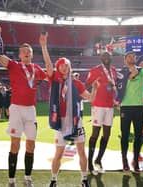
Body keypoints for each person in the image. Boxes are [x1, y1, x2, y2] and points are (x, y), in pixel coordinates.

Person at [0, 22, 51, 187]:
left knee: (31, 145)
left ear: (32, 55)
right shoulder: (14, 65)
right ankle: (11, 180)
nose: (26, 53)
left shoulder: (36, 69)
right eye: (24, 52)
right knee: (15, 144)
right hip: (16, 109)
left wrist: (44, 46)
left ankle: (27, 178)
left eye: (29, 52)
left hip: (31, 111)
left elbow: (50, 73)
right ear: (19, 55)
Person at [40, 32, 98, 187]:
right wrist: (44, 46)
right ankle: (53, 180)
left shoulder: (77, 83)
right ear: (58, 67)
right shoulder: (54, 79)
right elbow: (47, 65)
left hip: (76, 121)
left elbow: (90, 98)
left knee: (81, 152)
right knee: (58, 154)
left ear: (69, 67)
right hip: (60, 121)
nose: (64, 67)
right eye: (62, 65)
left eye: (67, 65)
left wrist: (95, 90)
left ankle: (84, 179)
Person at [117, 51, 143, 173]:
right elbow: (120, 86)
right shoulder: (120, 72)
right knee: (124, 135)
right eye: (129, 56)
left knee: (138, 136)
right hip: (125, 107)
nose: (132, 58)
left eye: (133, 56)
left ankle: (135, 161)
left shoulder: (141, 71)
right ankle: (124, 161)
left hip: (139, 107)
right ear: (125, 60)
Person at [85, 51, 117, 175]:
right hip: (98, 105)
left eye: (108, 56)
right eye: (104, 56)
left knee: (107, 134)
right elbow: (87, 84)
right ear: (101, 58)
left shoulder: (113, 70)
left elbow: (115, 86)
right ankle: (90, 162)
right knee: (95, 134)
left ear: (111, 58)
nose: (106, 58)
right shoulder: (95, 70)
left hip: (109, 106)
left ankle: (98, 160)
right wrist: (100, 84)